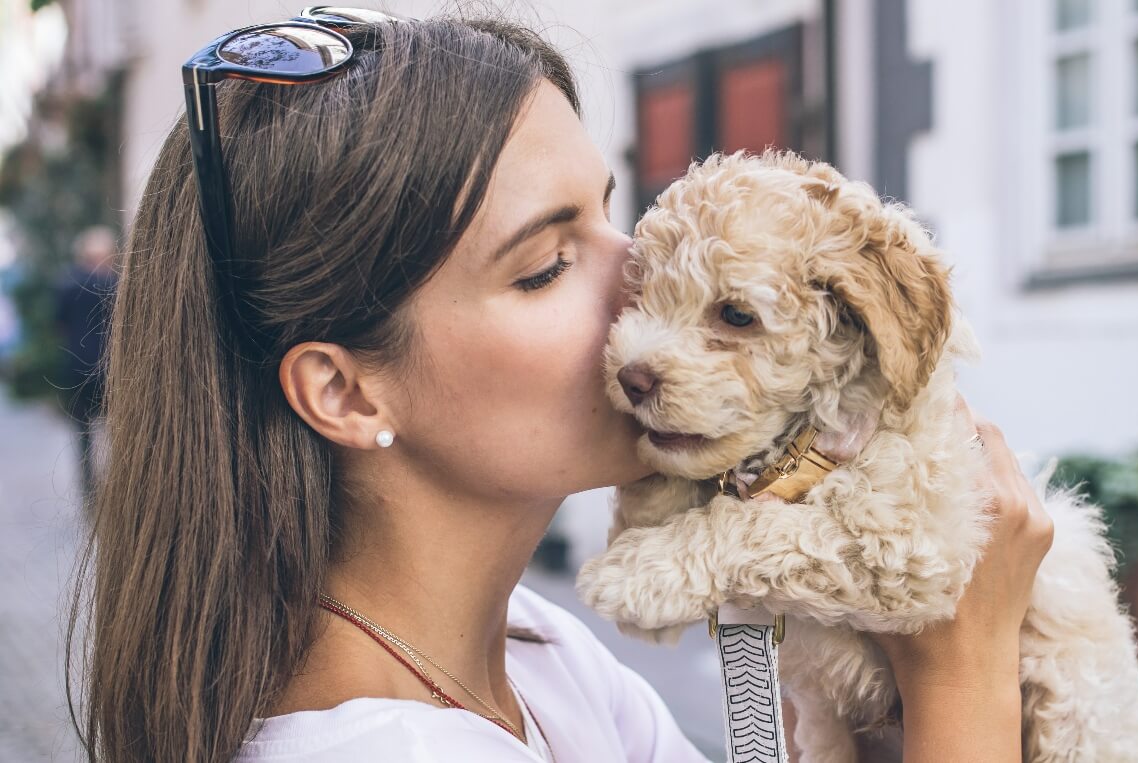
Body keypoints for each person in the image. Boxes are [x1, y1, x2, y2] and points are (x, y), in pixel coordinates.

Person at [69, 10, 1053, 763]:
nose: (641, 274)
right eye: (545, 263)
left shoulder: (537, 651)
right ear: (349, 393)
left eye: (612, 216)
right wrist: (958, 664)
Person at [53, 225, 117, 502]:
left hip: (77, 366)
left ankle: (89, 485)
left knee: (83, 430)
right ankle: (117, 481)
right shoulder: (116, 284)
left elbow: (59, 324)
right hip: (111, 368)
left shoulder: (67, 285)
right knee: (117, 427)